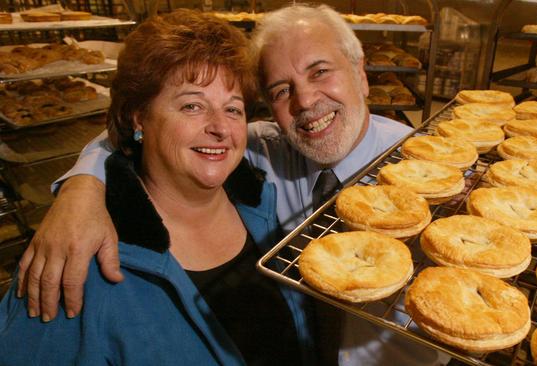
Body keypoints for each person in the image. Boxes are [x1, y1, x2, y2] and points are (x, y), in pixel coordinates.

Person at [15, 4, 450, 365]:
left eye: (320, 72)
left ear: (361, 74)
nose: (305, 101)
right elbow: (132, 132)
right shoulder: (266, 158)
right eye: (281, 90)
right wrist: (81, 188)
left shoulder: (439, 177)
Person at [0, 9, 316, 365]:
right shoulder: (75, 261)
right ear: (139, 118)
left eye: (233, 109)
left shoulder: (265, 207)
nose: (220, 128)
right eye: (192, 105)